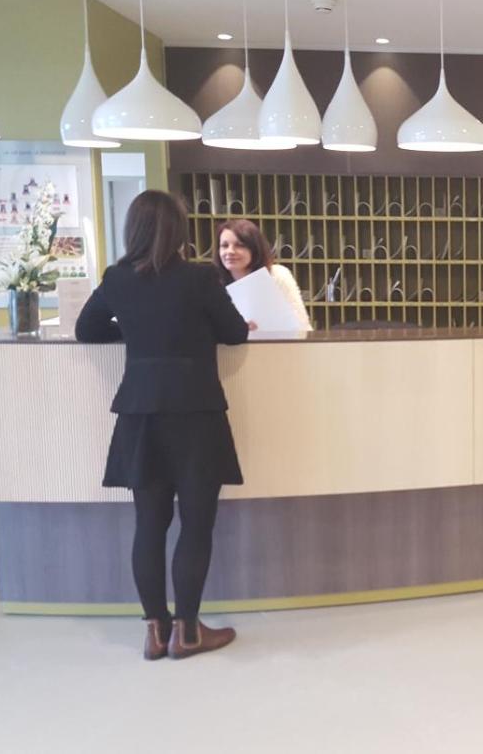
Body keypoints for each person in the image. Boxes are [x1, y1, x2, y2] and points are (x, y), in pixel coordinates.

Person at [75, 190, 253, 660]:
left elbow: (86, 329)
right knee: (195, 525)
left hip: (141, 415)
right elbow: (235, 332)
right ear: (178, 231)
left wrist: (134, 331)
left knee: (149, 524)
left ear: (131, 229)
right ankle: (188, 633)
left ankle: (156, 632)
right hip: (196, 414)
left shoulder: (117, 278)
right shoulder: (199, 278)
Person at [214, 218, 313, 332]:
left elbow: (301, 324)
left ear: (254, 249)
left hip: (280, 341)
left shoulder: (277, 275)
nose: (230, 251)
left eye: (239, 245)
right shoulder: (213, 283)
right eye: (224, 246)